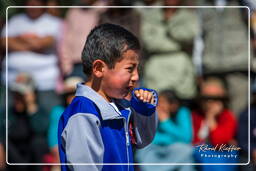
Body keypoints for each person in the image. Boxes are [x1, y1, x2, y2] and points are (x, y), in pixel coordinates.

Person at [58, 23, 158, 171]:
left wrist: (143, 110)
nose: (136, 76)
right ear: (99, 69)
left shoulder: (119, 105)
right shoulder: (83, 113)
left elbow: (142, 141)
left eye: (137, 69)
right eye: (130, 69)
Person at [1, 0, 62, 114]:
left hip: (44, 82)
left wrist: (18, 39)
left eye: (36, 3)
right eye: (29, 3)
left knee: (45, 118)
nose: (32, 6)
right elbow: (4, 42)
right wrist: (33, 41)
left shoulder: (54, 22)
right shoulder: (15, 20)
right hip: (11, 79)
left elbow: (44, 42)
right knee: (7, 118)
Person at [135, 89, 195, 171]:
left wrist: (165, 121)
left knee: (185, 151)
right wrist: (171, 139)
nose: (159, 105)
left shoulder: (182, 112)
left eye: (163, 102)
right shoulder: (152, 112)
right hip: (155, 149)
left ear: (173, 105)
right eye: (158, 102)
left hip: (176, 151)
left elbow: (186, 139)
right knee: (142, 150)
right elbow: (148, 138)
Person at [192, 77, 238, 171]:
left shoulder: (227, 116)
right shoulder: (195, 116)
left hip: (222, 156)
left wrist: (211, 118)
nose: (210, 103)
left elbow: (219, 142)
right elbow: (194, 142)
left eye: (215, 99)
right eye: (206, 99)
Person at [7, 73, 49, 171]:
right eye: (16, 94)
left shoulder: (40, 112)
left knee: (38, 142)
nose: (18, 98)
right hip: (13, 159)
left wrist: (30, 106)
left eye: (21, 95)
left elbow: (40, 130)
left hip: (32, 161)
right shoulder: (8, 113)